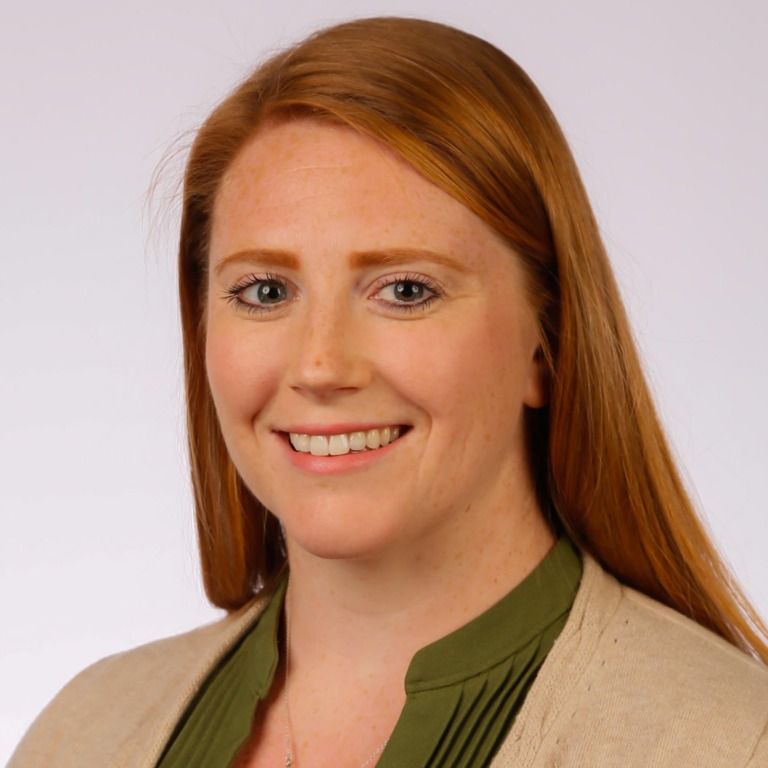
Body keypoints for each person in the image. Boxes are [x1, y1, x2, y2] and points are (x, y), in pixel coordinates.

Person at [9, 16, 768, 768]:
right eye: (266, 290)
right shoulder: (82, 734)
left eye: (406, 289)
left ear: (548, 343)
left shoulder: (729, 743)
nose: (320, 365)